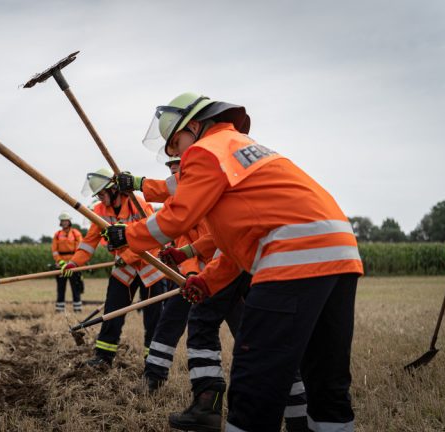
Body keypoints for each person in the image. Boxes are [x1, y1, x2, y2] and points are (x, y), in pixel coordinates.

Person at [104, 93, 363, 431]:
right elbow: (239, 243)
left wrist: (128, 236)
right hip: (339, 254)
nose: (177, 155)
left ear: (195, 127)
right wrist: (207, 280)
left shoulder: (205, 150)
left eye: (176, 144)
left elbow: (175, 218)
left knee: (255, 380)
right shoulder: (240, 148)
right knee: (326, 380)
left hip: (292, 258)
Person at [120, 160, 309, 431]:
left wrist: (202, 278)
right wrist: (187, 265)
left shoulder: (204, 187)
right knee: (260, 338)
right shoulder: (197, 195)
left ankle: (210, 404)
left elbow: (223, 240)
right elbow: (196, 237)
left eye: (178, 167)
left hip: (232, 267)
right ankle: (156, 377)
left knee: (232, 330)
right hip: (215, 270)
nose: (175, 173)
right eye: (172, 168)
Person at [64, 167, 166, 367]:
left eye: (102, 193)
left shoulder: (139, 205)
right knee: (112, 312)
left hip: (149, 266)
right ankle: (103, 356)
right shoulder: (100, 212)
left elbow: (152, 237)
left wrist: (126, 256)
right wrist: (74, 262)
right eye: (98, 195)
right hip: (124, 270)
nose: (100, 198)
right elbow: (89, 242)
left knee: (153, 319)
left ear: (114, 190)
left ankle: (153, 362)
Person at [52, 212, 84, 312]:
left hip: (73, 265)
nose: (64, 223)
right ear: (60, 223)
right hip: (60, 266)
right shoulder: (57, 235)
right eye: (62, 221)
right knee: (60, 288)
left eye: (65, 221)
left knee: (76, 288)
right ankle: (60, 310)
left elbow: (79, 249)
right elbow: (54, 251)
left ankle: (77, 310)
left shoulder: (76, 233)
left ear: (69, 222)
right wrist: (61, 263)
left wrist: (72, 263)